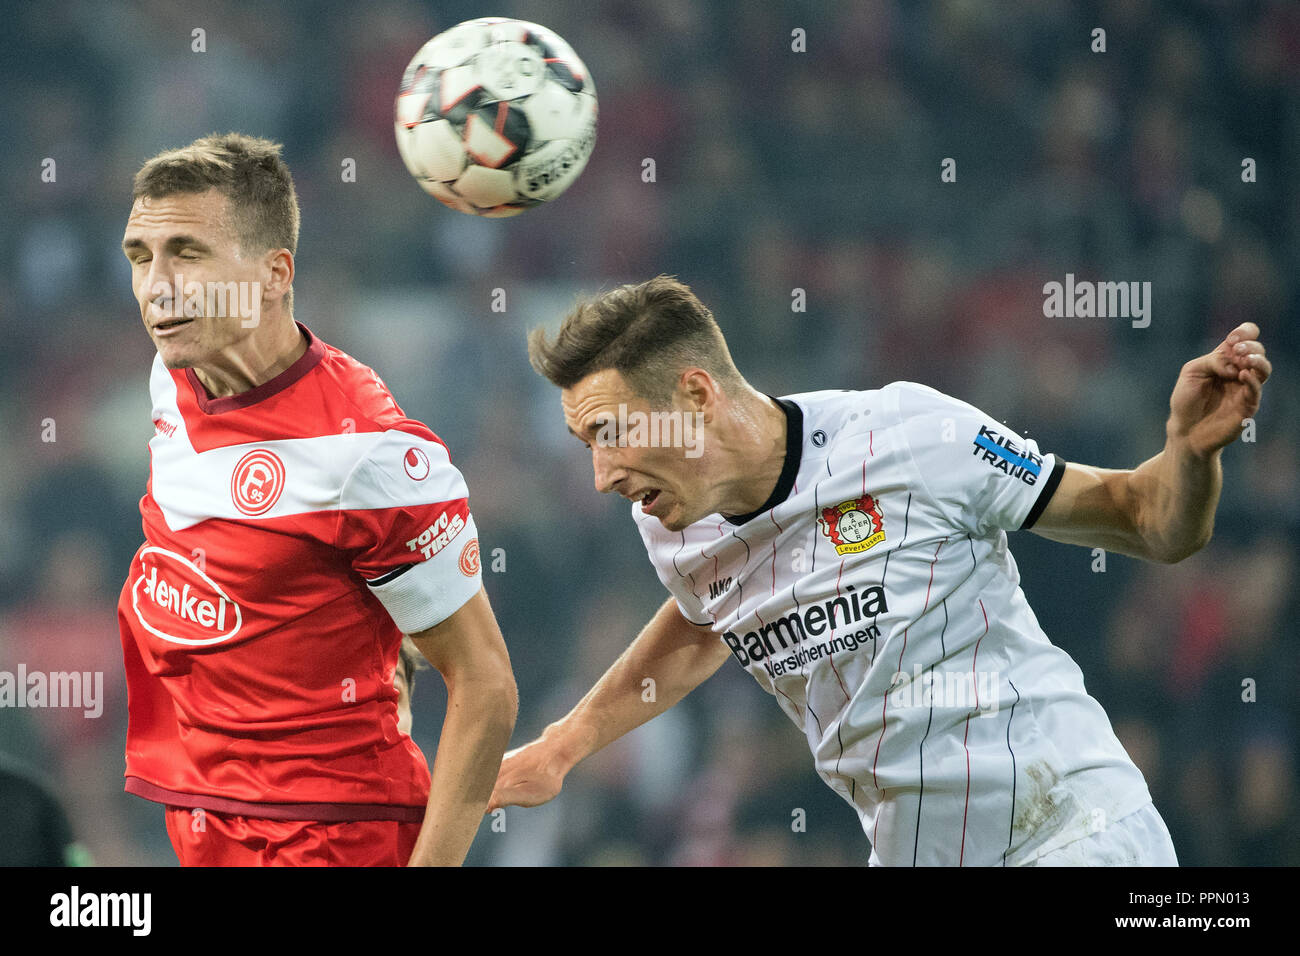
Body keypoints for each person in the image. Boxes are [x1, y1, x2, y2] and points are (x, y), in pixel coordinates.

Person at [490, 274, 1272, 866]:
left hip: (1073, 833)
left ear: (694, 394)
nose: (600, 475)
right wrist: (562, 747)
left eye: (610, 433)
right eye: (583, 445)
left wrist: (1189, 456)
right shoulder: (670, 527)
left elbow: (1148, 522)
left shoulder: (910, 436)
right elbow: (704, 619)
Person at [116, 132, 517, 867]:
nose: (155, 287)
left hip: (326, 833)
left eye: (187, 253)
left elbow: (486, 683)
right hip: (203, 809)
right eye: (141, 257)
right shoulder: (172, 370)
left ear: (274, 274)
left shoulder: (367, 452)